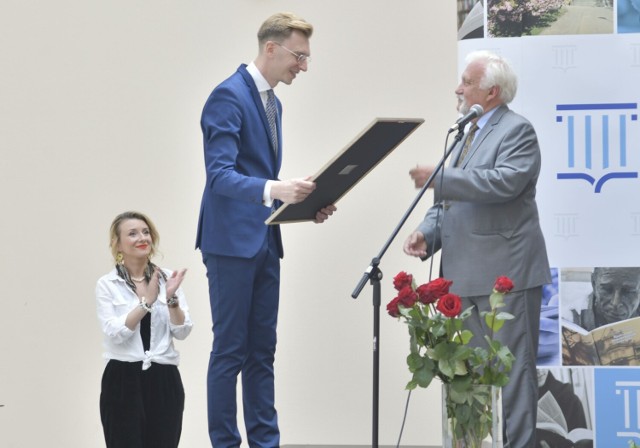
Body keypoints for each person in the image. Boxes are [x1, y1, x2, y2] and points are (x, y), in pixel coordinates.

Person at [195, 12, 336, 448]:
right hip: (230, 244)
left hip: (264, 240)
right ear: (270, 48)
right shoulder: (228, 96)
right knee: (230, 352)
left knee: (262, 354)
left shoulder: (274, 103)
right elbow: (219, 176)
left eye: (307, 58)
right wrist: (278, 188)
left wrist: (303, 204)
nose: (304, 66)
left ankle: (265, 443)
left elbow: (257, 178)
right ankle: (224, 443)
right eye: (299, 55)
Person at [403, 50, 551, 448]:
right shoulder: (464, 132)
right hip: (463, 275)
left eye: (466, 82)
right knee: (469, 375)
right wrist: (426, 233)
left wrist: (441, 179)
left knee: (514, 374)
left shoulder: (518, 131)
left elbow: (503, 183)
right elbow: (448, 204)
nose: (458, 88)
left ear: (491, 92)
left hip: (507, 276)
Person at [96, 211, 193, 448]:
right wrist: (146, 303)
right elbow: (114, 333)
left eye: (146, 232)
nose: (142, 237)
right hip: (122, 379)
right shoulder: (107, 284)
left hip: (164, 378)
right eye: (132, 233)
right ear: (117, 243)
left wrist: (171, 299)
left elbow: (182, 331)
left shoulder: (167, 278)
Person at [571, 267, 640, 331]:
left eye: (628, 291)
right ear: (594, 284)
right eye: (607, 290)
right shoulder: (571, 319)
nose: (615, 303)